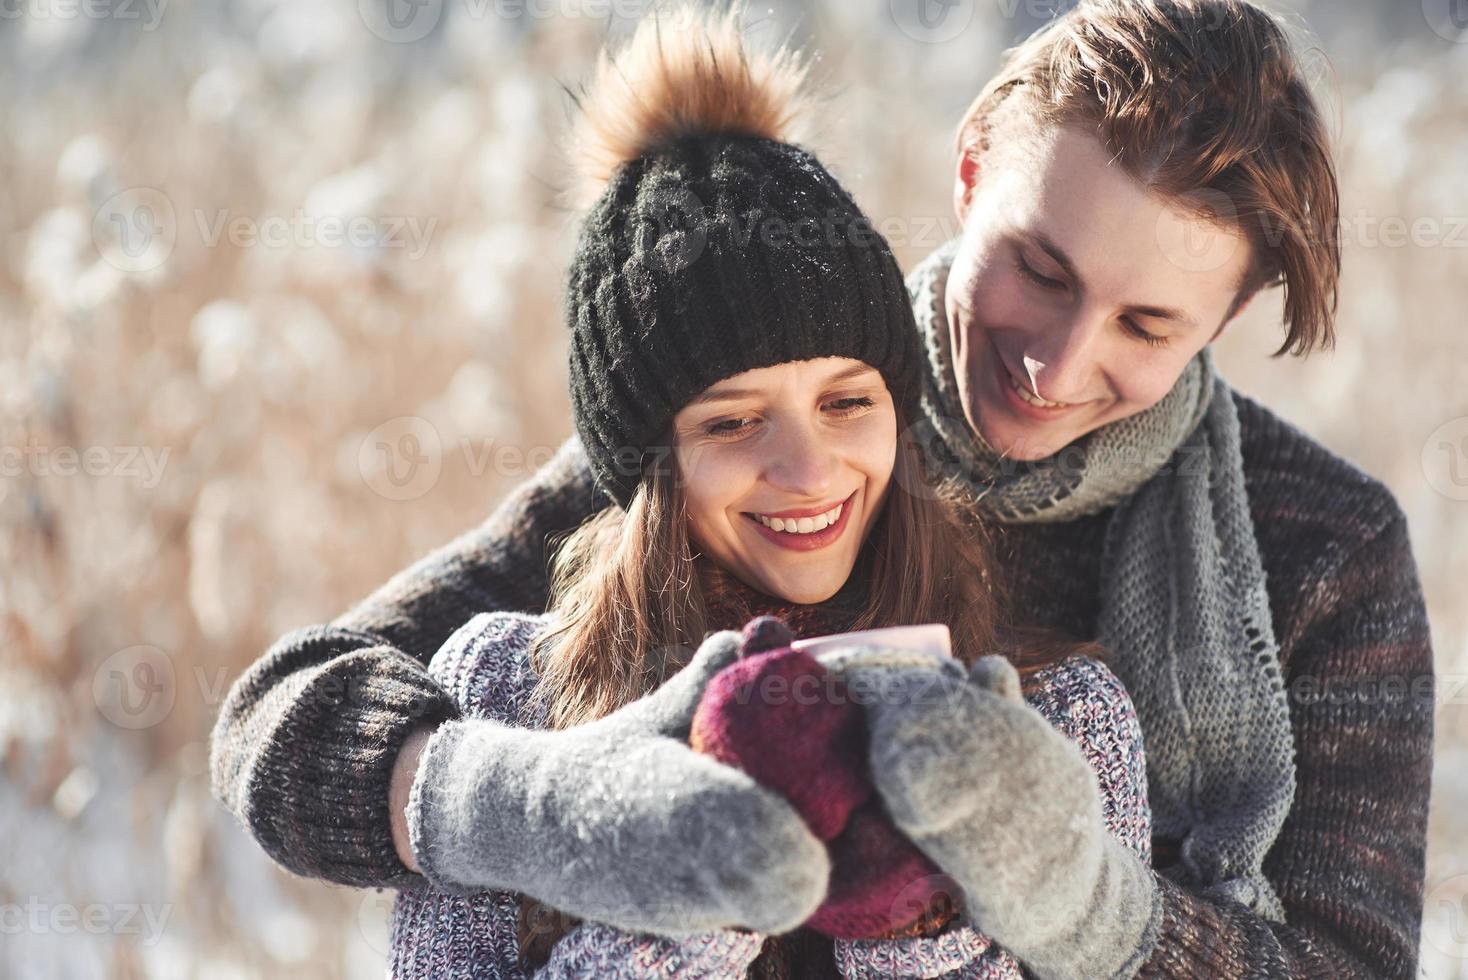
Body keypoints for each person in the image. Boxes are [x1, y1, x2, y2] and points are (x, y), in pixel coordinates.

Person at [210, 0, 1436, 976]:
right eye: (1040, 269)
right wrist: (544, 803)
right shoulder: (772, 397)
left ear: (1228, 315)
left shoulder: (1317, 545)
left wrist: (1090, 906)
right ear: (969, 175)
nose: (1056, 362)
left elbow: (1343, 959)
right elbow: (283, 721)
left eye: (1147, 323)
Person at [379, 9, 1150, 977]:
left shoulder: (1062, 718)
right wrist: (692, 888)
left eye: (845, 401)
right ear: (646, 465)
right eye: (732, 421)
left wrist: (923, 911)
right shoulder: (501, 701)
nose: (809, 467)